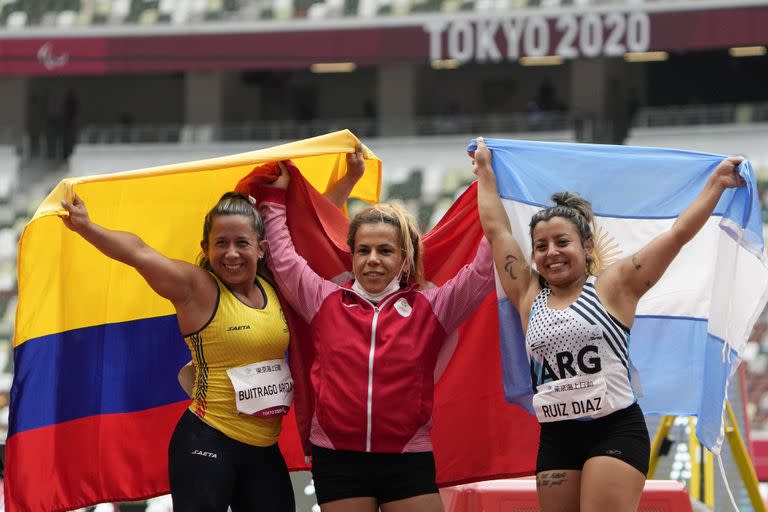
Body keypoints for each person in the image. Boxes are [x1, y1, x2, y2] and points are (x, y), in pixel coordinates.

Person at [473, 136, 745, 512]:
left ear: (586, 246)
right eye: (541, 245)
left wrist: (715, 184)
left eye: (562, 242)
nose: (551, 252)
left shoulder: (614, 286)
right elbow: (497, 231)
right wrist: (485, 171)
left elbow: (677, 234)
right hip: (556, 437)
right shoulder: (525, 294)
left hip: (615, 429)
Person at [257, 145, 494, 512]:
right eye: (363, 250)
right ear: (351, 255)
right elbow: (284, 261)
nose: (372, 260)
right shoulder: (325, 300)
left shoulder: (432, 307)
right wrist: (273, 198)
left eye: (385, 250)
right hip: (337, 458)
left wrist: (491, 186)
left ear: (405, 258)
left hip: (406, 456)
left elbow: (482, 270)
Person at [60, 192, 296, 512]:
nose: (231, 254)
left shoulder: (272, 285)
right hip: (208, 443)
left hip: (265, 449)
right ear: (205, 248)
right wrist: (87, 227)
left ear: (262, 249)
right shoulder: (196, 288)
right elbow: (139, 252)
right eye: (220, 243)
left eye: (241, 243)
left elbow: (308, 232)